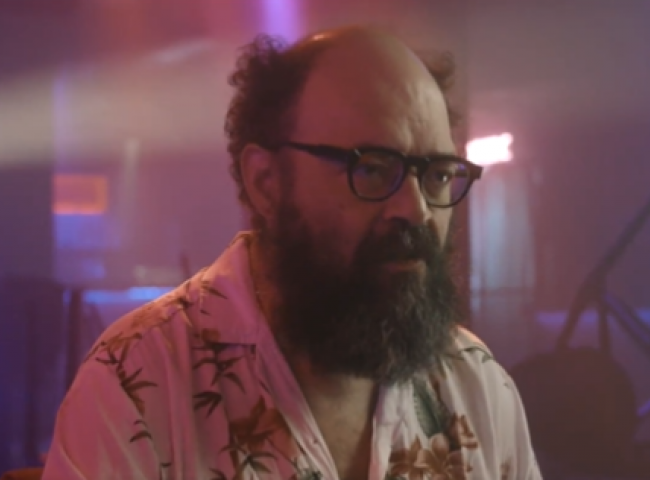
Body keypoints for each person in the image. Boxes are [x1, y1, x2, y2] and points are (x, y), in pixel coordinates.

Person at [43, 26, 542, 480]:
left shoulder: (476, 384)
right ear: (267, 182)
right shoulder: (136, 384)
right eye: (372, 169)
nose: (416, 211)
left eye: (436, 175)